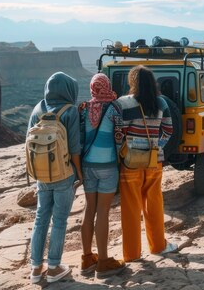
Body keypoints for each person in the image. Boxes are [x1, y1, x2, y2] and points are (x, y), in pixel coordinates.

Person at [116, 66, 177, 262]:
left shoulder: (122, 103)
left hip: (131, 162)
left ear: (132, 81)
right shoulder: (161, 103)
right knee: (154, 204)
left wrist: (124, 150)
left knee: (131, 208)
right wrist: (156, 146)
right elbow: (168, 129)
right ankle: (158, 246)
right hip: (154, 161)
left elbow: (119, 133)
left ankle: (132, 254)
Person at [28, 72, 83, 284]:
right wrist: (79, 173)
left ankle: (35, 269)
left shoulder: (37, 109)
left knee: (40, 219)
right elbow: (75, 148)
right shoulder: (70, 111)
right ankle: (53, 267)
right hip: (63, 174)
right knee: (59, 220)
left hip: (41, 175)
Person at [79, 74, 126, 278]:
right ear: (106, 86)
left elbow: (79, 139)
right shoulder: (115, 108)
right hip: (107, 166)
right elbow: (119, 139)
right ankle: (104, 263)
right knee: (103, 213)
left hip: (87, 166)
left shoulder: (82, 109)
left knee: (89, 210)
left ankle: (87, 258)